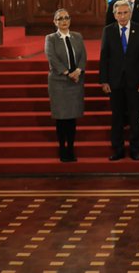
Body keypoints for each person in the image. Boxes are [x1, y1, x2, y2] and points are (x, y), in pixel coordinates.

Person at [100, 0, 139, 161]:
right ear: (114, 15)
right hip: (114, 82)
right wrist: (104, 81)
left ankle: (135, 149)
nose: (122, 16)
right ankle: (118, 149)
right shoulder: (108, 31)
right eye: (119, 13)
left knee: (136, 117)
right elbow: (104, 58)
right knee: (117, 118)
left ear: (130, 13)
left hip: (135, 82)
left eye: (125, 12)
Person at [45, 9, 87, 163]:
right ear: (55, 22)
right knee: (61, 119)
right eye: (60, 18)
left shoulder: (77, 36)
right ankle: (62, 148)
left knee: (72, 118)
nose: (64, 21)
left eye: (66, 18)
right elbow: (52, 58)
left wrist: (78, 70)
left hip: (76, 82)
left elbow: (83, 56)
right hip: (59, 83)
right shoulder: (51, 39)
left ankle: (71, 147)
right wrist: (67, 73)